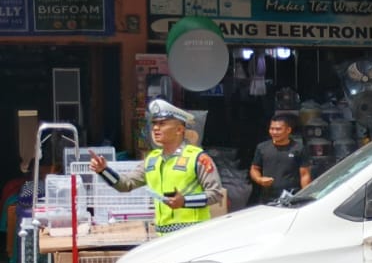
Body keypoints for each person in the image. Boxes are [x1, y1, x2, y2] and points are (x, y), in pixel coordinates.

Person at [88, 100, 223, 236]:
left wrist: (185, 201)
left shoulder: (197, 158)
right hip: (162, 237)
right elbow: (126, 184)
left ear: (179, 129)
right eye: (154, 123)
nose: (155, 128)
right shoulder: (152, 159)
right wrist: (103, 171)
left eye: (162, 124)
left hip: (192, 234)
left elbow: (216, 193)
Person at [250, 112, 311, 205]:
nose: (274, 132)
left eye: (278, 129)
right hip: (267, 197)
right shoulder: (262, 147)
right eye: (271, 129)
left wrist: (305, 197)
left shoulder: (299, 148)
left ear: (288, 130)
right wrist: (259, 179)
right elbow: (254, 168)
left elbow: (305, 175)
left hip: (291, 197)